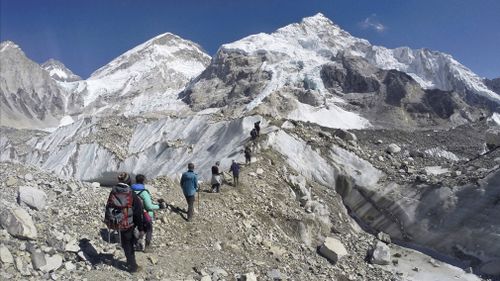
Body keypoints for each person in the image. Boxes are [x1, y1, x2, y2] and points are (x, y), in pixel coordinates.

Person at [104, 172, 144, 273]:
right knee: (130, 244)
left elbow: (109, 206)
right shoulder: (131, 193)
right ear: (129, 181)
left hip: (117, 222)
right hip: (128, 223)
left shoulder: (113, 191)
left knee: (125, 243)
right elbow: (138, 212)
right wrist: (141, 227)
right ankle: (133, 266)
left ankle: (130, 262)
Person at [131, 174, 163, 253]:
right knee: (148, 229)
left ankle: (137, 245)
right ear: (143, 181)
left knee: (139, 229)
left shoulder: (130, 191)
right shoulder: (143, 192)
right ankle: (147, 247)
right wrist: (159, 206)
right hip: (145, 215)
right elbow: (149, 206)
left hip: (133, 214)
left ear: (136, 180)